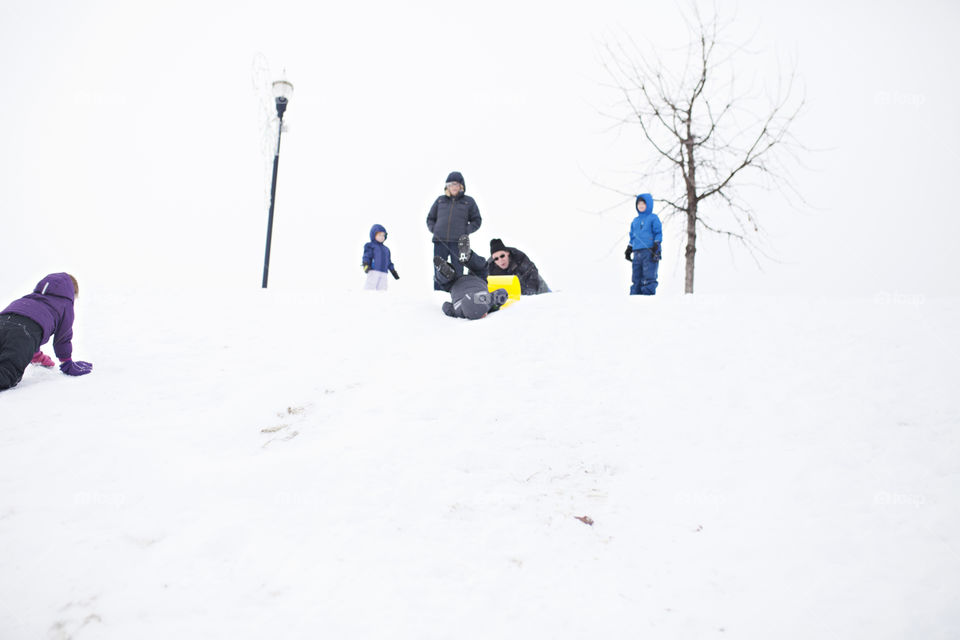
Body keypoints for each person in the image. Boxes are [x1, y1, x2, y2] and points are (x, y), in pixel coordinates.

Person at [0, 273, 93, 391]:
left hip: (4, 321)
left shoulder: (31, 297)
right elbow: (63, 337)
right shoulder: (65, 304)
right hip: (24, 333)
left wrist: (36, 355)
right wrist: (67, 362)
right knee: (7, 373)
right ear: (72, 293)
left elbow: (19, 323)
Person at [426, 171, 482, 289]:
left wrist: (465, 230)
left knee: (457, 269)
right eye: (450, 184)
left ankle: (458, 292)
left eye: (456, 184)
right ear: (447, 186)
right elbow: (430, 218)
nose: (453, 187)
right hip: (440, 240)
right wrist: (434, 229)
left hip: (458, 243)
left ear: (461, 186)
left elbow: (477, 220)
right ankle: (439, 293)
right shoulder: (440, 200)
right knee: (440, 268)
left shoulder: (468, 201)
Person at [433, 236, 507, 320]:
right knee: (444, 282)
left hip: (477, 279)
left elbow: (503, 292)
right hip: (455, 285)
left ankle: (469, 257)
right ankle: (444, 273)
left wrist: (495, 304)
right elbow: (445, 306)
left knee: (482, 267)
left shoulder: (487, 299)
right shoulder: (458, 312)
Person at [625, 193, 662, 295]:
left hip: (649, 251)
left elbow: (658, 232)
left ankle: (647, 298)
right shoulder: (635, 221)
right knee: (636, 276)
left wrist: (657, 245)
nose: (640, 206)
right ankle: (634, 297)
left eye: (643, 203)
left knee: (648, 275)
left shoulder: (653, 218)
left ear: (648, 205)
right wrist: (629, 248)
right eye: (639, 204)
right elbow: (632, 236)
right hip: (637, 252)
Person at [362, 223, 399, 290]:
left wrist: (393, 271)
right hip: (374, 271)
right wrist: (366, 264)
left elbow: (389, 262)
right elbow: (367, 256)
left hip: (384, 272)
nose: (382, 237)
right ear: (373, 235)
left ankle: (381, 300)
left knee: (383, 289)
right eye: (379, 235)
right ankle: (367, 298)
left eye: (383, 235)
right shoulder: (370, 246)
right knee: (370, 287)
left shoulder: (386, 249)